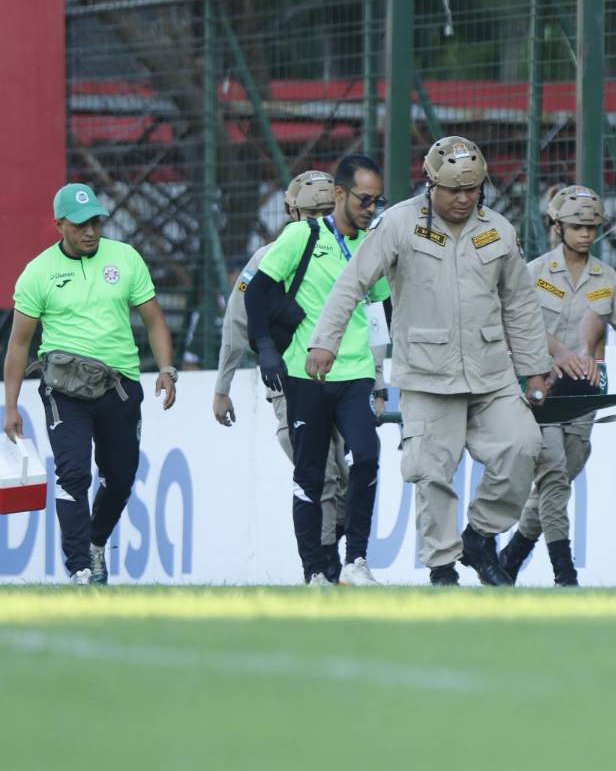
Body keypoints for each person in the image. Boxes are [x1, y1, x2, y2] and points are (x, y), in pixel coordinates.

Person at [307, 136, 551, 586]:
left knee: (523, 446)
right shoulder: (396, 224)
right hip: (426, 374)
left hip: (491, 372)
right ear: (430, 183)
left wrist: (535, 368)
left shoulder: (499, 229)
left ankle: (479, 534)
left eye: (473, 189)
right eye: (454, 190)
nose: (463, 199)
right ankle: (443, 570)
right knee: (433, 473)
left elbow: (519, 303)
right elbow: (352, 284)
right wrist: (325, 342)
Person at [213, 170, 387, 584]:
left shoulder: (361, 247)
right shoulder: (271, 257)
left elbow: (376, 316)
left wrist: (378, 378)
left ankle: (335, 557)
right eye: (310, 211)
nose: (317, 217)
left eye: (326, 210)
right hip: (291, 381)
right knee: (320, 475)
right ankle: (322, 568)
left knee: (349, 474)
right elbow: (237, 324)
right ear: (292, 211)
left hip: (350, 376)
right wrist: (223, 387)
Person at [3, 183, 177, 585]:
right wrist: (11, 406)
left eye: (96, 222)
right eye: (80, 224)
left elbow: (154, 320)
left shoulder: (126, 258)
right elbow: (19, 342)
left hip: (119, 387)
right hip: (64, 391)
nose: (91, 231)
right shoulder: (38, 272)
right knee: (73, 475)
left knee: (120, 477)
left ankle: (97, 542)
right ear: (59, 224)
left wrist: (167, 370)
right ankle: (80, 566)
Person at [497, 186, 616, 586]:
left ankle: (511, 559)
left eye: (591, 227)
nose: (585, 234)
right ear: (557, 226)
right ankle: (565, 574)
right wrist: (559, 352)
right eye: (577, 226)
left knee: (561, 476)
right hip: (540, 392)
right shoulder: (533, 273)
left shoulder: (610, 279)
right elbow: (517, 325)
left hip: (585, 397)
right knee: (553, 473)